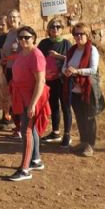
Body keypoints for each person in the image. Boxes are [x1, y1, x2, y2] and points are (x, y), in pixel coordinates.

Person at [5, 26, 50, 182]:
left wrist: (32, 104)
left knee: (26, 131)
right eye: (21, 37)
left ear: (34, 38)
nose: (23, 40)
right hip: (22, 96)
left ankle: (25, 170)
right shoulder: (21, 53)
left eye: (27, 37)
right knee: (32, 129)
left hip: (32, 98)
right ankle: (36, 160)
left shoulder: (36, 55)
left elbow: (40, 81)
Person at [62, 22, 101, 157]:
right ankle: (83, 142)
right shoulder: (72, 50)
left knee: (89, 118)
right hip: (74, 90)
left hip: (87, 90)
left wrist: (76, 71)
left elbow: (93, 70)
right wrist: (66, 71)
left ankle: (90, 145)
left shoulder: (92, 50)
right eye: (76, 34)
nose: (79, 36)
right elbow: (64, 66)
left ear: (87, 35)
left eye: (81, 34)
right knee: (79, 118)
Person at [38, 17, 73, 147]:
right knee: (53, 106)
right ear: (48, 30)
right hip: (49, 80)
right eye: (52, 27)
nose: (55, 29)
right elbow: (38, 57)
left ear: (62, 29)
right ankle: (55, 132)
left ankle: (67, 135)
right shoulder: (44, 43)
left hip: (63, 80)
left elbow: (72, 59)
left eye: (58, 27)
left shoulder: (66, 44)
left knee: (65, 107)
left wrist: (57, 56)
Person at [0, 9, 22, 136]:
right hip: (8, 69)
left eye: (14, 17)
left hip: (18, 71)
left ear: (19, 18)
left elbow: (23, 52)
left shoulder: (21, 33)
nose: (12, 19)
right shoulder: (9, 33)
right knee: (10, 98)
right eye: (10, 17)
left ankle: (21, 127)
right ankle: (17, 125)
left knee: (17, 99)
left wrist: (8, 58)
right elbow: (7, 50)